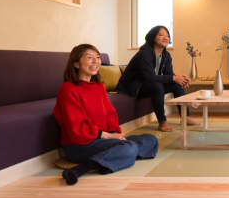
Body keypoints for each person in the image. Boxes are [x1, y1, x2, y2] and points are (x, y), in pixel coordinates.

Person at [53, 44, 159, 185]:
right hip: (79, 145)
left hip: (101, 139)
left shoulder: (99, 87)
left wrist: (113, 134)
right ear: (76, 63)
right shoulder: (67, 89)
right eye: (90, 57)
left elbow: (110, 114)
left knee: (151, 139)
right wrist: (107, 136)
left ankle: (108, 160)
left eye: (98, 57)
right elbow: (76, 126)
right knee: (130, 147)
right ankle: (80, 169)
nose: (96, 61)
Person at [116, 26, 198, 132]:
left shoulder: (166, 54)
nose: (165, 37)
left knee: (176, 85)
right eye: (161, 35)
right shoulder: (145, 53)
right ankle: (162, 122)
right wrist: (173, 78)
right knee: (157, 86)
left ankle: (185, 117)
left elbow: (168, 74)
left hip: (147, 84)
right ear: (152, 37)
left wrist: (180, 79)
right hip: (133, 86)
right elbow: (149, 76)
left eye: (167, 35)